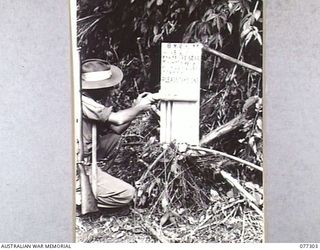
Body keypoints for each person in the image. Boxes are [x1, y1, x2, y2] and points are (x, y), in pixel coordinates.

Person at [77, 58, 155, 212]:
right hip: (77, 163)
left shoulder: (89, 99)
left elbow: (117, 128)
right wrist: (139, 108)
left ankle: (98, 179)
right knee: (128, 194)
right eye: (107, 87)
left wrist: (134, 108)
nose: (111, 90)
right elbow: (118, 119)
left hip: (88, 153)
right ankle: (78, 194)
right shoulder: (83, 101)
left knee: (114, 139)